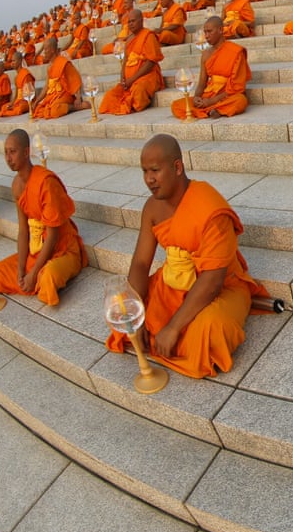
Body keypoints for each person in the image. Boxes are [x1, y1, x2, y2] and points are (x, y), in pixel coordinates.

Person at [105, 134, 268, 378]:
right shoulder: (152, 207)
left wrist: (173, 327)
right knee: (126, 318)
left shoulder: (210, 207)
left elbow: (213, 280)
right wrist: (134, 310)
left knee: (209, 331)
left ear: (177, 167)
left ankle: (176, 336)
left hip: (222, 286)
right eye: (144, 171)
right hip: (174, 282)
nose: (149, 179)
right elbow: (140, 262)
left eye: (155, 170)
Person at [0, 130, 87, 307]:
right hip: (37, 250)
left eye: (13, 152)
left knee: (48, 278)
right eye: (6, 152)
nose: (8, 158)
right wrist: (21, 269)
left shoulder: (46, 182)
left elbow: (53, 235)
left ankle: (37, 279)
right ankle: (33, 279)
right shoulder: (16, 186)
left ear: (26, 152)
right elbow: (23, 231)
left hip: (62, 250)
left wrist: (33, 273)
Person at [174, 16, 251, 120]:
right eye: (205, 32)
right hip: (210, 94)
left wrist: (211, 101)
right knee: (176, 105)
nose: (206, 36)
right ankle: (215, 110)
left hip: (228, 95)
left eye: (209, 32)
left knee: (241, 100)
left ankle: (213, 109)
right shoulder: (206, 54)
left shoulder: (236, 51)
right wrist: (197, 97)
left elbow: (237, 87)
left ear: (220, 30)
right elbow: (202, 82)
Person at [97, 9, 164, 115]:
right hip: (129, 81)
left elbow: (150, 62)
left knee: (138, 92)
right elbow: (125, 61)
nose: (130, 24)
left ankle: (128, 103)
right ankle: (126, 102)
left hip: (147, 76)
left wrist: (132, 79)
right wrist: (123, 78)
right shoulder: (129, 40)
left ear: (141, 21)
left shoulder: (148, 36)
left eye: (133, 21)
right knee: (110, 95)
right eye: (129, 22)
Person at [31, 37, 84, 119]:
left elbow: (75, 80)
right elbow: (46, 87)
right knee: (38, 109)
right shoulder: (49, 66)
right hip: (53, 95)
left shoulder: (63, 62)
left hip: (64, 94)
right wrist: (37, 101)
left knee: (54, 111)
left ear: (52, 50)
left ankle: (74, 107)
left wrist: (78, 98)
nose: (44, 52)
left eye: (46, 49)